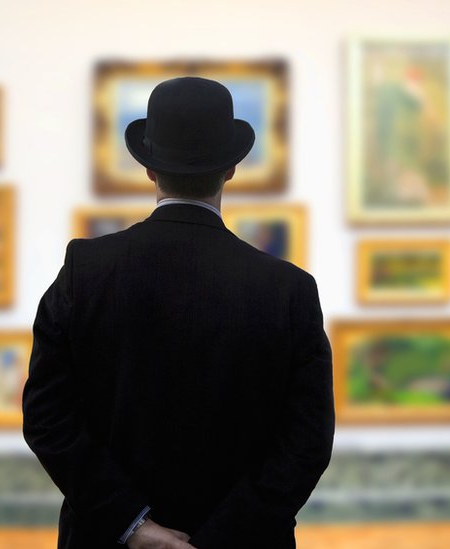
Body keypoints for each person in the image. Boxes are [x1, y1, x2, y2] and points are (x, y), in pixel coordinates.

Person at [23, 77, 334, 549]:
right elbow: (307, 440)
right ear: (232, 167)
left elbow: (48, 418)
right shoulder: (288, 290)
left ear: (149, 170)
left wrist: (132, 525)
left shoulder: (85, 273)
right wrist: (220, 538)